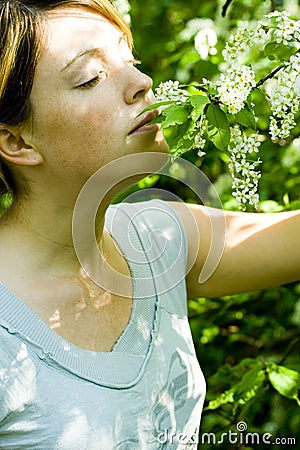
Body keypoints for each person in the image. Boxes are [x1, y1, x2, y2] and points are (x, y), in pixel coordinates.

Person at [0, 1, 299, 449]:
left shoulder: (155, 237)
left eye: (131, 60)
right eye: (91, 78)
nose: (142, 83)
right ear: (17, 141)